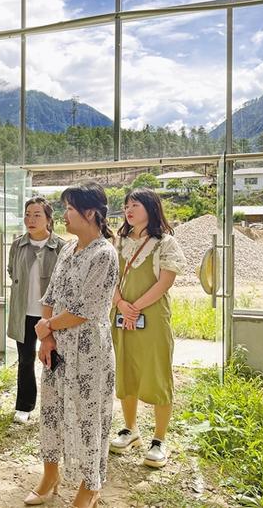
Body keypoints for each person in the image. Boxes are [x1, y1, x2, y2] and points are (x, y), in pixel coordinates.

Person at [28, 183, 119, 508]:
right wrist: (47, 337)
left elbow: (86, 309)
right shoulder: (68, 249)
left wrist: (47, 327)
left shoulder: (104, 254)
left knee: (88, 417)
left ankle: (90, 486)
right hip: (57, 347)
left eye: (69, 209)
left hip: (89, 350)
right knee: (52, 411)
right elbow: (51, 295)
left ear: (90, 213)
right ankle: (50, 475)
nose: (63, 215)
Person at [109, 188, 187, 469]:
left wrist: (134, 307)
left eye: (135, 205)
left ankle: (159, 440)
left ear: (151, 208)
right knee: (125, 369)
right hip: (120, 314)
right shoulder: (117, 242)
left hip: (152, 317)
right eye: (126, 205)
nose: (128, 210)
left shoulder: (165, 243)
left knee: (157, 374)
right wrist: (121, 303)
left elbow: (165, 282)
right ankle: (130, 429)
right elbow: (110, 279)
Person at [7, 197, 66, 424]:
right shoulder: (17, 245)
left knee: (53, 359)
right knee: (25, 359)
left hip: (51, 316)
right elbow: (12, 271)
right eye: (28, 215)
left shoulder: (61, 247)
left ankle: (57, 406)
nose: (30, 219)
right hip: (23, 313)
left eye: (37, 215)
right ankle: (24, 406)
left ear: (49, 219)